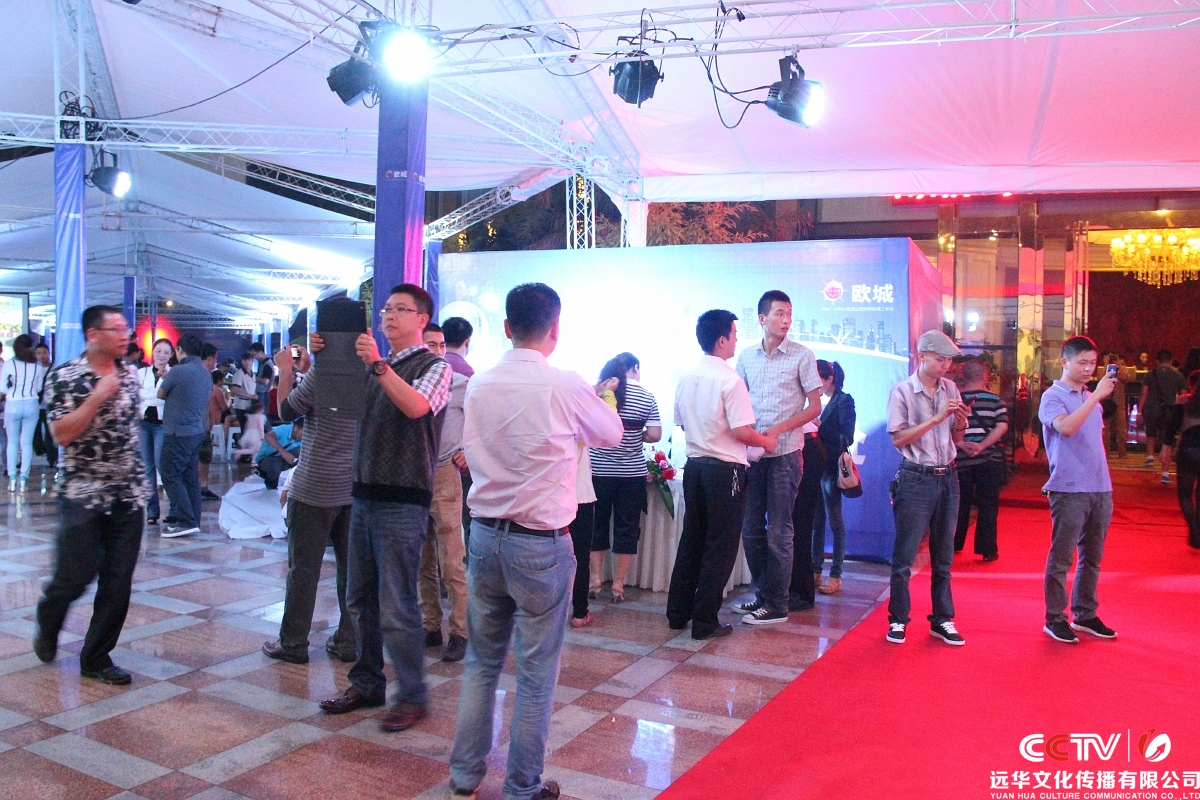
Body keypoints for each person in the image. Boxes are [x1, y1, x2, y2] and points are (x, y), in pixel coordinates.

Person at [449, 282, 622, 800]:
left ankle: (464, 778)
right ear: (555, 329)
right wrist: (602, 396)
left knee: (481, 664)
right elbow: (611, 434)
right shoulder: (563, 384)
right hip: (540, 545)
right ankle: (522, 786)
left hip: (484, 536)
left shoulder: (480, 384)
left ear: (506, 327)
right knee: (535, 673)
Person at [317, 283, 451, 736]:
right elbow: (334, 405)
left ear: (421, 319)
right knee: (359, 599)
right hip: (363, 493)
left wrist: (377, 365)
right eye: (386, 309)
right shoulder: (374, 366)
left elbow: (416, 407)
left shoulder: (435, 366)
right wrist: (324, 357)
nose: (389, 315)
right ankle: (367, 683)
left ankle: (412, 696)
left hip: (402, 499)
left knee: (397, 605)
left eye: (400, 309)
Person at [33, 305, 148, 686]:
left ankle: (96, 657)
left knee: (117, 582)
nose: (125, 335)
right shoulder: (64, 376)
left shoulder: (130, 374)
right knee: (75, 575)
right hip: (83, 493)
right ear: (93, 335)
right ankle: (49, 618)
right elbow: (62, 435)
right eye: (116, 329)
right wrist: (97, 396)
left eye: (126, 328)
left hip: (128, 494)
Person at [667, 310, 778, 640]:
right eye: (734, 334)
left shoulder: (687, 377)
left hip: (695, 468)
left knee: (692, 539)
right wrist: (766, 442)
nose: (736, 340)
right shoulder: (730, 380)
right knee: (720, 547)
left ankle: (678, 613)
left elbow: (682, 423)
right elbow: (742, 431)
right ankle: (705, 621)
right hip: (725, 472)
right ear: (721, 340)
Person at [262, 340, 358, 666]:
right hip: (351, 486)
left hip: (315, 486)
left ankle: (293, 643)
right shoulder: (368, 372)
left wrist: (285, 369)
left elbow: (285, 410)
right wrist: (309, 369)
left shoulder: (324, 374)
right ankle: (348, 641)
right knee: (351, 570)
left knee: (303, 570)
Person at [734, 290, 822, 624]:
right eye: (779, 314)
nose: (786, 320)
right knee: (751, 530)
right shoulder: (746, 356)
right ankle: (764, 594)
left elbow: (815, 407)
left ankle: (777, 604)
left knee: (779, 532)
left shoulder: (802, 355)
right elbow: (738, 402)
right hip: (753, 455)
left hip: (786, 454)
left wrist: (778, 430)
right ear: (762, 319)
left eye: (789, 314)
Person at [885, 330, 970, 646]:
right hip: (915, 477)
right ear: (922, 356)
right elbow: (898, 439)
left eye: (949, 360)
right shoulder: (903, 391)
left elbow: (957, 438)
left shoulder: (950, 388)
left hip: (948, 475)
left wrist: (960, 421)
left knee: (944, 555)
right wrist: (936, 418)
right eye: (940, 359)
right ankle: (898, 619)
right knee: (905, 555)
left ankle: (942, 618)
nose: (946, 365)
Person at [1039, 335, 1119, 644]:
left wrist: (1092, 397)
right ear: (1064, 362)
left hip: (1100, 486)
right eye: (1082, 363)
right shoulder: (1053, 396)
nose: (1088, 369)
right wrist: (1095, 396)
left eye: (1092, 364)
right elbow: (1067, 428)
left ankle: (1085, 614)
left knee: (1093, 557)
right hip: (1069, 488)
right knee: (1062, 558)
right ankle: (1055, 618)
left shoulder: (1090, 397)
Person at [588, 352, 661, 604]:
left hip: (598, 471)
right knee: (627, 528)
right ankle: (618, 585)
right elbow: (655, 434)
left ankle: (595, 580)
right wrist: (636, 436)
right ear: (635, 368)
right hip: (631, 474)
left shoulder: (599, 393)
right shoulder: (647, 396)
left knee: (596, 525)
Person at [417, 323, 470, 663]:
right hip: (414, 475)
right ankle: (430, 625)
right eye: (430, 345)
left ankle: (461, 631)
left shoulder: (461, 383)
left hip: (445, 473)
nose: (437, 351)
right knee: (423, 558)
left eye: (440, 345)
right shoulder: (408, 381)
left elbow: (483, 423)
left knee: (451, 559)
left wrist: (469, 449)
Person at [952, 357, 1009, 562]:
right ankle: (987, 549)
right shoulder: (996, 400)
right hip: (989, 459)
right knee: (988, 504)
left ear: (963, 376)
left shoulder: (955, 400)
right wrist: (982, 445)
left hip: (961, 460)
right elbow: (1002, 426)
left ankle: (955, 543)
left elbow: (947, 428)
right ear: (985, 375)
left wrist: (962, 444)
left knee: (959, 503)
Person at [157, 334, 213, 538]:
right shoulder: (205, 372)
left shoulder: (178, 371)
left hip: (177, 432)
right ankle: (193, 520)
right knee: (190, 478)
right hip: (196, 431)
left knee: (170, 475)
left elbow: (160, 394)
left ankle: (185, 520)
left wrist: (166, 379)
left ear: (180, 350)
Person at [813, 360, 856, 594]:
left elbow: (846, 437)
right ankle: (815, 571)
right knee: (816, 522)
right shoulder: (811, 400)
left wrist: (819, 425)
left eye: (818, 378)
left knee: (835, 521)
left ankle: (836, 574)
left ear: (829, 379)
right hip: (814, 467)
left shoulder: (844, 400)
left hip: (831, 467)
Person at [442, 316, 476, 555]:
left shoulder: (431, 368)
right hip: (459, 464)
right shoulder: (469, 374)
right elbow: (477, 422)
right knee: (464, 523)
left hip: (434, 461)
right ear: (467, 342)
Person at [1, 334, 48, 493]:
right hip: (32, 403)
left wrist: (11, 390)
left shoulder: (9, 364)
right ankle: (23, 480)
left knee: (12, 441)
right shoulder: (37, 365)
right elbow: (39, 388)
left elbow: (2, 388)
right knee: (26, 443)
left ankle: (12, 479)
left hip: (12, 404)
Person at [138, 338, 172, 523]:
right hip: (143, 424)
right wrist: (154, 395)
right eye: (158, 351)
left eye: (166, 352)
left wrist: (148, 395)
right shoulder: (141, 373)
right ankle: (152, 512)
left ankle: (174, 508)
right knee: (146, 468)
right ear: (153, 352)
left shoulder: (172, 374)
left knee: (162, 465)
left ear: (171, 355)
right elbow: (138, 395)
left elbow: (165, 398)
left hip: (162, 425)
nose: (161, 355)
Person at [1140, 349, 1186, 484]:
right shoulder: (1178, 375)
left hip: (1152, 409)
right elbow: (1183, 395)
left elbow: (1144, 393)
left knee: (1150, 432)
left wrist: (1139, 411)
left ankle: (1150, 456)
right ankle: (1165, 473)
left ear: (1157, 361)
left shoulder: (1150, 374)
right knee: (1168, 440)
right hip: (1169, 411)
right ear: (1171, 360)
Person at [1175, 371, 1200, 549]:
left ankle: (1194, 529)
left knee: (1185, 493)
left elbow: (1173, 425)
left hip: (1188, 449)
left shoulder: (1184, 402)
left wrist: (1167, 446)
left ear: (1191, 384)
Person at [199, 345, 225, 501]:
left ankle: (202, 487)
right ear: (209, 358)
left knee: (204, 457)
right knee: (202, 457)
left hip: (202, 422)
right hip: (198, 424)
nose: (215, 362)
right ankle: (200, 488)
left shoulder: (205, 375)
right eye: (215, 358)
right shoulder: (202, 375)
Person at [1102, 353, 1136, 456]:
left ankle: (1122, 452)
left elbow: (1125, 378)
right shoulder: (1106, 369)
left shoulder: (1122, 370)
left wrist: (1119, 365)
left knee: (1121, 430)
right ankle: (1105, 452)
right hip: (1107, 402)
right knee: (1105, 429)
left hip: (1119, 403)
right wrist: (1106, 364)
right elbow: (1100, 378)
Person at [34, 341, 58, 472]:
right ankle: (40, 450)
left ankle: (52, 458)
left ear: (49, 353)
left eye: (44, 353)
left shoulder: (55, 368)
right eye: (39, 353)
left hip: (49, 405)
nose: (42, 356)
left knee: (50, 433)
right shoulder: (34, 369)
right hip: (36, 405)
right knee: (36, 432)